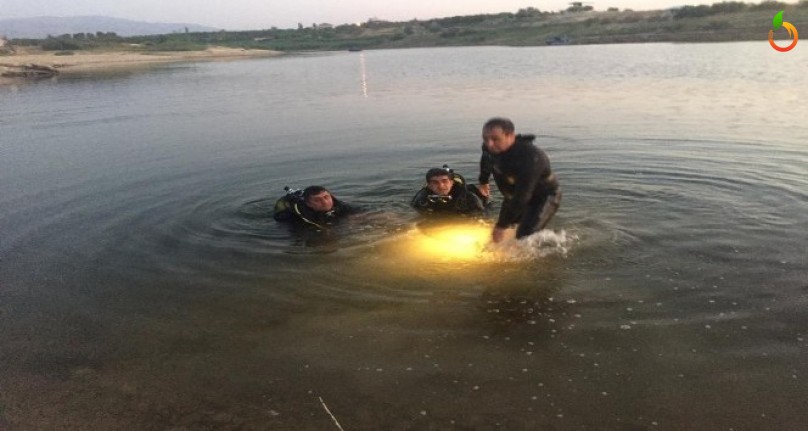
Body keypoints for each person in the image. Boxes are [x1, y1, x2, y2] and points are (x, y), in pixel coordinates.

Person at [477, 117, 561, 243]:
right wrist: (483, 181)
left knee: (524, 237)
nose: (489, 144)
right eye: (485, 139)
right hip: (513, 194)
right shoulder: (490, 148)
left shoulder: (531, 157)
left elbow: (523, 196)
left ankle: (555, 243)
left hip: (543, 196)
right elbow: (486, 160)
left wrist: (501, 226)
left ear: (510, 136)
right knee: (506, 231)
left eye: (495, 139)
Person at [411, 165, 488, 215]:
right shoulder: (421, 199)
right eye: (435, 182)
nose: (441, 186)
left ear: (452, 183)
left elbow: (482, 217)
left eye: (444, 181)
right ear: (429, 185)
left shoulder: (469, 198)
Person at [273, 185, 359, 230]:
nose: (325, 202)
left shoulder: (338, 204)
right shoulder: (296, 216)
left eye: (326, 197)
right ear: (309, 203)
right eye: (317, 200)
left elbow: (361, 213)